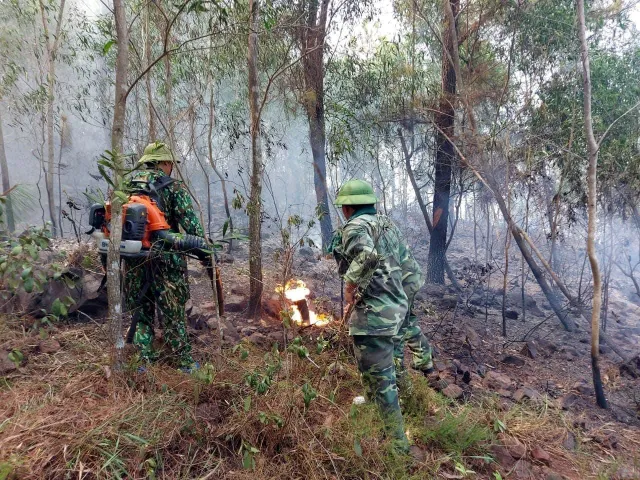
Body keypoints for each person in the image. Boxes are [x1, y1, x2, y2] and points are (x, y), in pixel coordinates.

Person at [329, 179, 433, 452]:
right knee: (387, 371)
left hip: (374, 318)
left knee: (382, 380)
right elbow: (412, 272)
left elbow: (367, 257)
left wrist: (350, 287)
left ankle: (397, 447)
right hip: (396, 312)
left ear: (348, 209)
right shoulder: (387, 225)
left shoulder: (354, 227)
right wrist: (402, 306)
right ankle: (400, 407)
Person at [123, 141, 205, 372]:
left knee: (142, 311)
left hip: (133, 261)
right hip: (167, 263)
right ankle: (184, 363)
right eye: (171, 164)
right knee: (173, 315)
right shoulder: (174, 187)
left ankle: (143, 362)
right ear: (165, 163)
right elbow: (193, 231)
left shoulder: (125, 186)